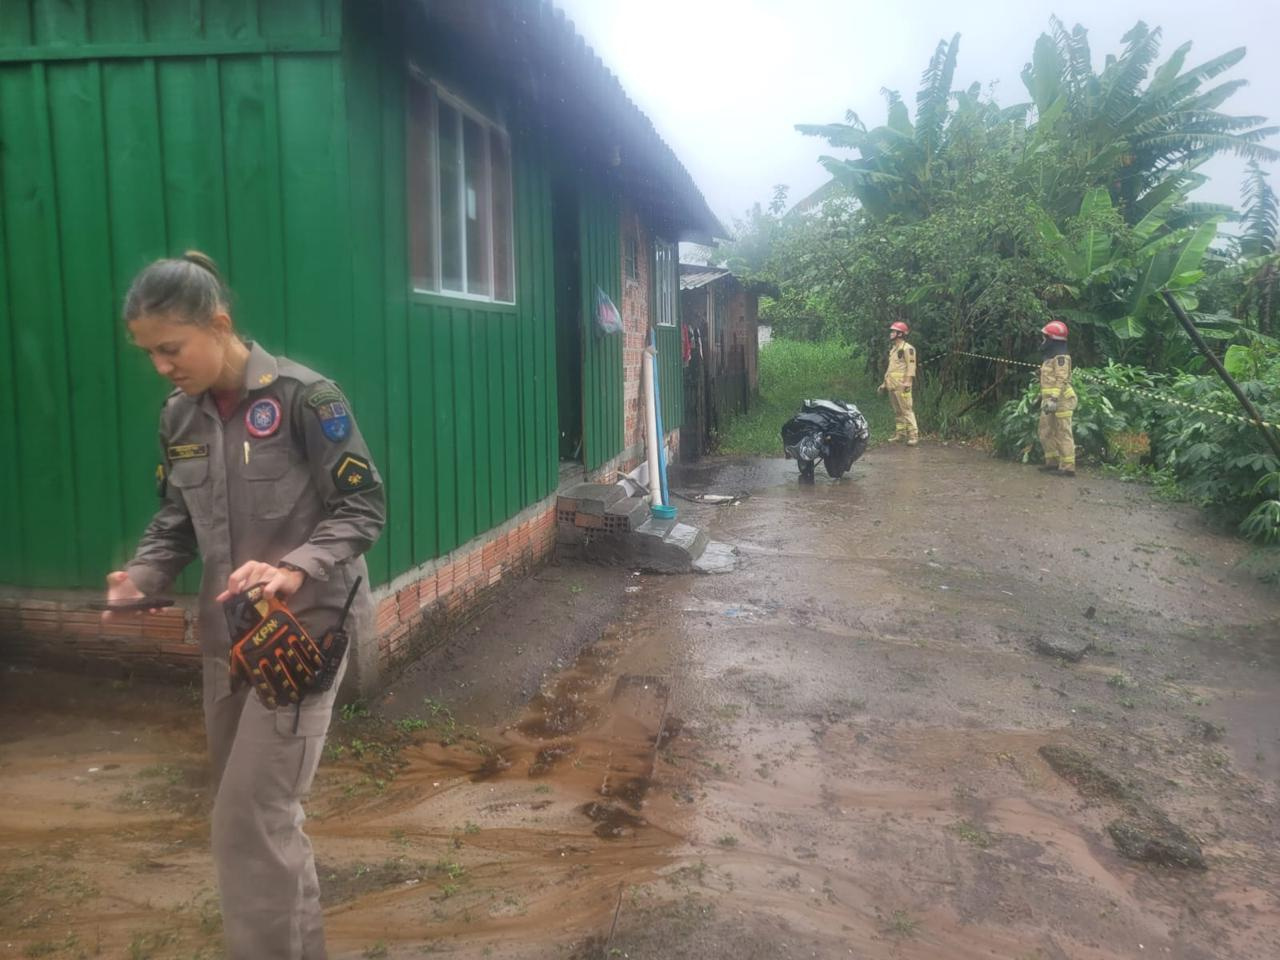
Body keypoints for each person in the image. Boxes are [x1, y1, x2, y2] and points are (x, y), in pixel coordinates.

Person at [102, 251, 386, 959]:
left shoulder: (305, 399)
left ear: (218, 324)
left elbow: (363, 507)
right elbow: (174, 520)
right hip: (227, 643)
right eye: (149, 353)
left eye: (171, 347)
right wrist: (142, 576)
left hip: (306, 632)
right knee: (259, 817)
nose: (161, 366)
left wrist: (296, 565)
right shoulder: (180, 419)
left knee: (248, 820)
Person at [1038, 319, 1077, 477]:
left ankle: (1068, 467)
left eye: (1046, 337)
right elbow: (1050, 379)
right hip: (1049, 400)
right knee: (1045, 430)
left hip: (1061, 401)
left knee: (1062, 432)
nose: (1043, 340)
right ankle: (1052, 462)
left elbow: (1062, 379)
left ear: (1053, 339)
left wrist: (1053, 398)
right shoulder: (1050, 357)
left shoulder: (1062, 357)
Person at [878, 320, 919, 445]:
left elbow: (911, 366)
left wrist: (908, 382)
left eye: (893, 331)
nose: (891, 333)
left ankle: (913, 436)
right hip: (892, 384)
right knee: (897, 411)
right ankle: (900, 434)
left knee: (906, 409)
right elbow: (891, 369)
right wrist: (884, 384)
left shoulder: (908, 349)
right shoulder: (894, 349)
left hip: (902, 384)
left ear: (900, 334)